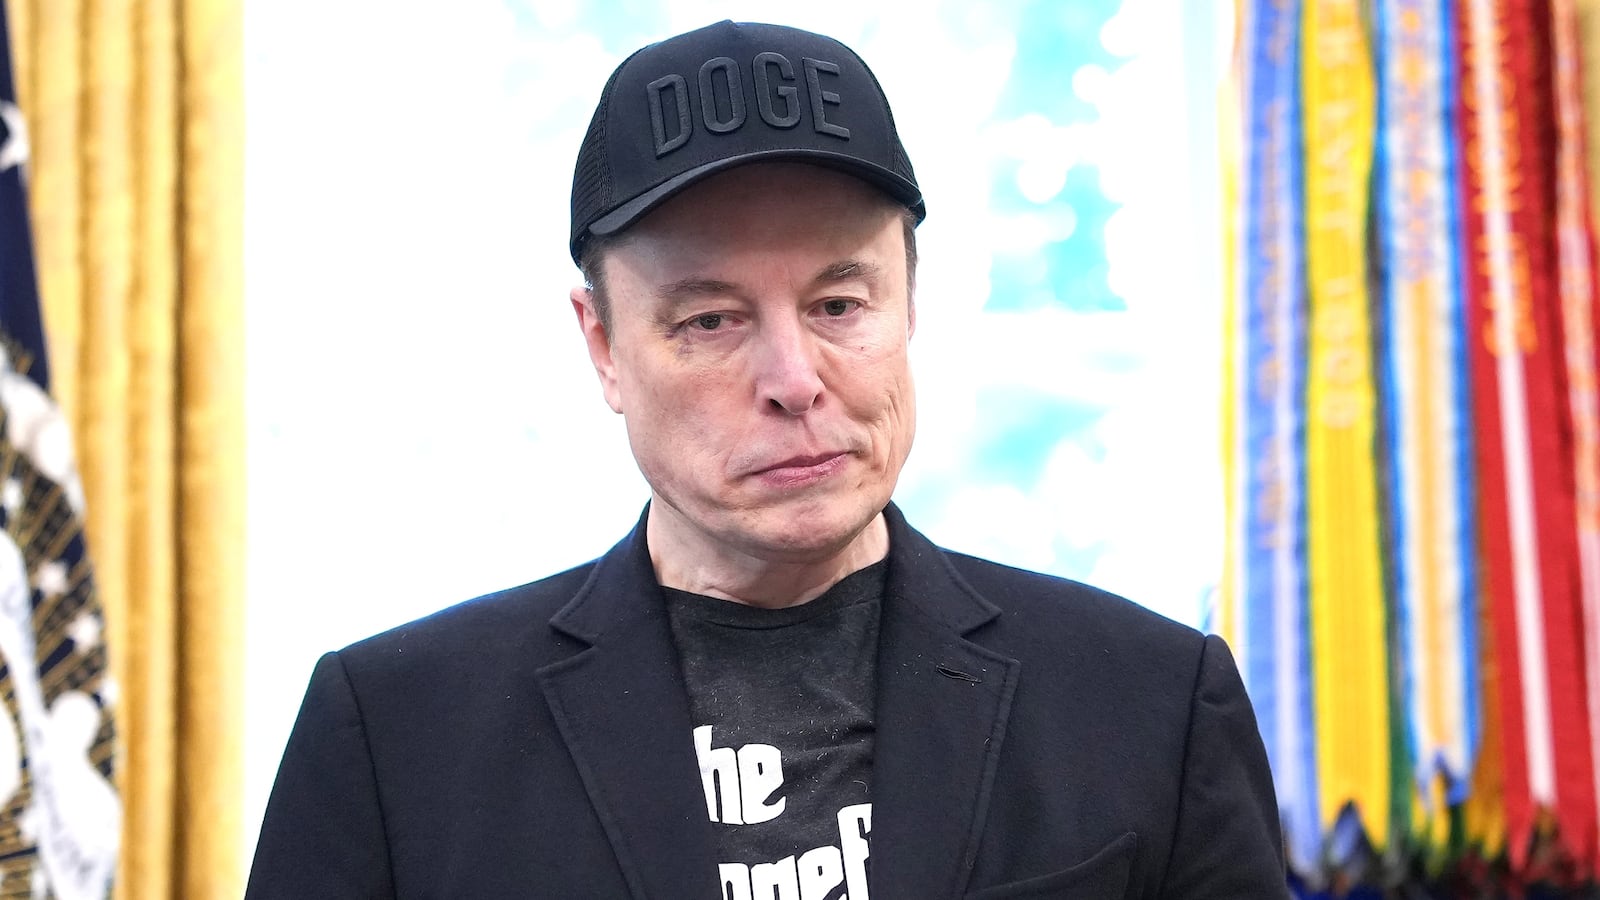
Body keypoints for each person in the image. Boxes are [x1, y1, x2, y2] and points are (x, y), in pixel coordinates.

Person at [246, 20, 1288, 899]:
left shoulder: (1148, 703)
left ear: (910, 303)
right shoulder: (395, 736)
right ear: (603, 345)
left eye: (840, 304)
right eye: (708, 320)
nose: (794, 377)